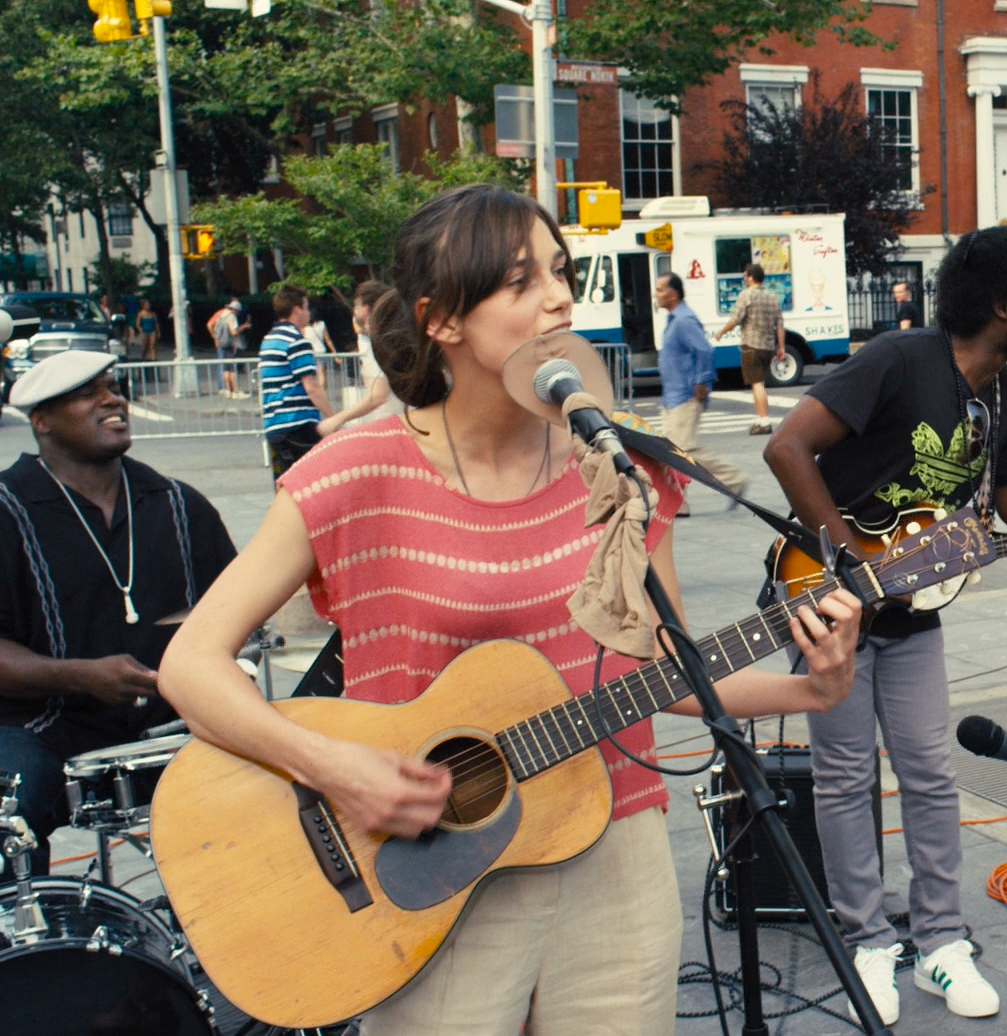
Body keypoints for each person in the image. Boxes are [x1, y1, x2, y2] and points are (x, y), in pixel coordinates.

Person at [156, 184, 863, 1034]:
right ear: (441, 318)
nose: (559, 296)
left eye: (560, 272)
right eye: (521, 281)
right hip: (421, 868)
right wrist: (332, 767)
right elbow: (190, 666)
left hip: (615, 844)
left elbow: (663, 674)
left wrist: (813, 692)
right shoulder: (350, 475)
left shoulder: (618, 464)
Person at [764, 223, 1007, 1024]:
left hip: (912, 614)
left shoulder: (999, 396)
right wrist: (849, 564)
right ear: (1003, 307)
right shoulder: (899, 360)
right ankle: (868, 942)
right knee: (844, 779)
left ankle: (940, 943)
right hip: (832, 603)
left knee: (931, 772)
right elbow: (787, 448)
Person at [0, 351, 236, 876]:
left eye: (113, 386)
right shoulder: (7, 509)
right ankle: (29, 948)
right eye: (88, 394)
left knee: (273, 780)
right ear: (41, 420)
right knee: (10, 799)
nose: (113, 400)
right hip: (44, 728)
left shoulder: (178, 504)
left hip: (171, 723)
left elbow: (236, 611)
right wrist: (79, 676)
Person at [655, 271, 749, 508]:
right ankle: (679, 504)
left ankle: (733, 480)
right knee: (672, 452)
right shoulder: (675, 320)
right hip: (673, 397)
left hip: (684, 396)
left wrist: (702, 381)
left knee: (684, 450)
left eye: (660, 290)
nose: (656, 295)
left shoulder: (684, 321)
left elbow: (705, 350)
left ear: (673, 294)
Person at [259, 284, 335, 478]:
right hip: (298, 424)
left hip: (274, 424)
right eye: (306, 307)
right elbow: (311, 386)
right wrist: (334, 418)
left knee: (286, 487)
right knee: (311, 483)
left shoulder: (268, 340)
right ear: (296, 309)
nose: (309, 312)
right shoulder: (297, 341)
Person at [321, 281, 406, 432]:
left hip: (390, 427)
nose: (354, 310)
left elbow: (378, 396)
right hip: (402, 424)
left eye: (356, 305)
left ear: (366, 308)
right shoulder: (395, 337)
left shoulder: (377, 343)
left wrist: (338, 419)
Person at [714, 263, 785, 434]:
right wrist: (781, 346)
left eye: (746, 276)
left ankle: (764, 421)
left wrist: (721, 333)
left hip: (752, 345)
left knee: (757, 383)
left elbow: (735, 318)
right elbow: (780, 324)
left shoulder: (746, 295)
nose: (745, 279)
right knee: (760, 382)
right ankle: (762, 417)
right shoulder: (772, 297)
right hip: (768, 346)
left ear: (751, 277)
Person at [206, 297, 251, 398]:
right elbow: (234, 331)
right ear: (236, 310)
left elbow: (210, 325)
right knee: (232, 369)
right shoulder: (231, 317)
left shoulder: (221, 314)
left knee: (225, 368)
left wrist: (216, 338)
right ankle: (235, 390)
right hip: (229, 344)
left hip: (222, 343)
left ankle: (226, 389)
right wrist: (243, 327)